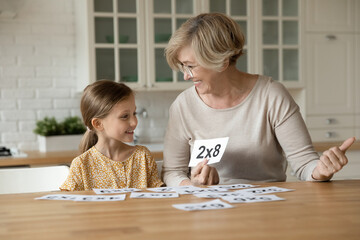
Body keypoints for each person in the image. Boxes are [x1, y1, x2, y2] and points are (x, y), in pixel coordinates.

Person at [162, 13, 355, 187]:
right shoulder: (183, 106)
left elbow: (304, 164)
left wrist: (320, 171)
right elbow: (172, 172)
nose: (186, 76)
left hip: (267, 209)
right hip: (207, 209)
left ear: (221, 62)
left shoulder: (272, 96)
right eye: (182, 67)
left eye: (190, 66)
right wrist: (193, 186)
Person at [60, 80, 163, 191]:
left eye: (134, 113)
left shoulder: (143, 156)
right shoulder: (81, 165)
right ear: (98, 124)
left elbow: (159, 196)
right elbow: (69, 203)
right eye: (124, 116)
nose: (134, 122)